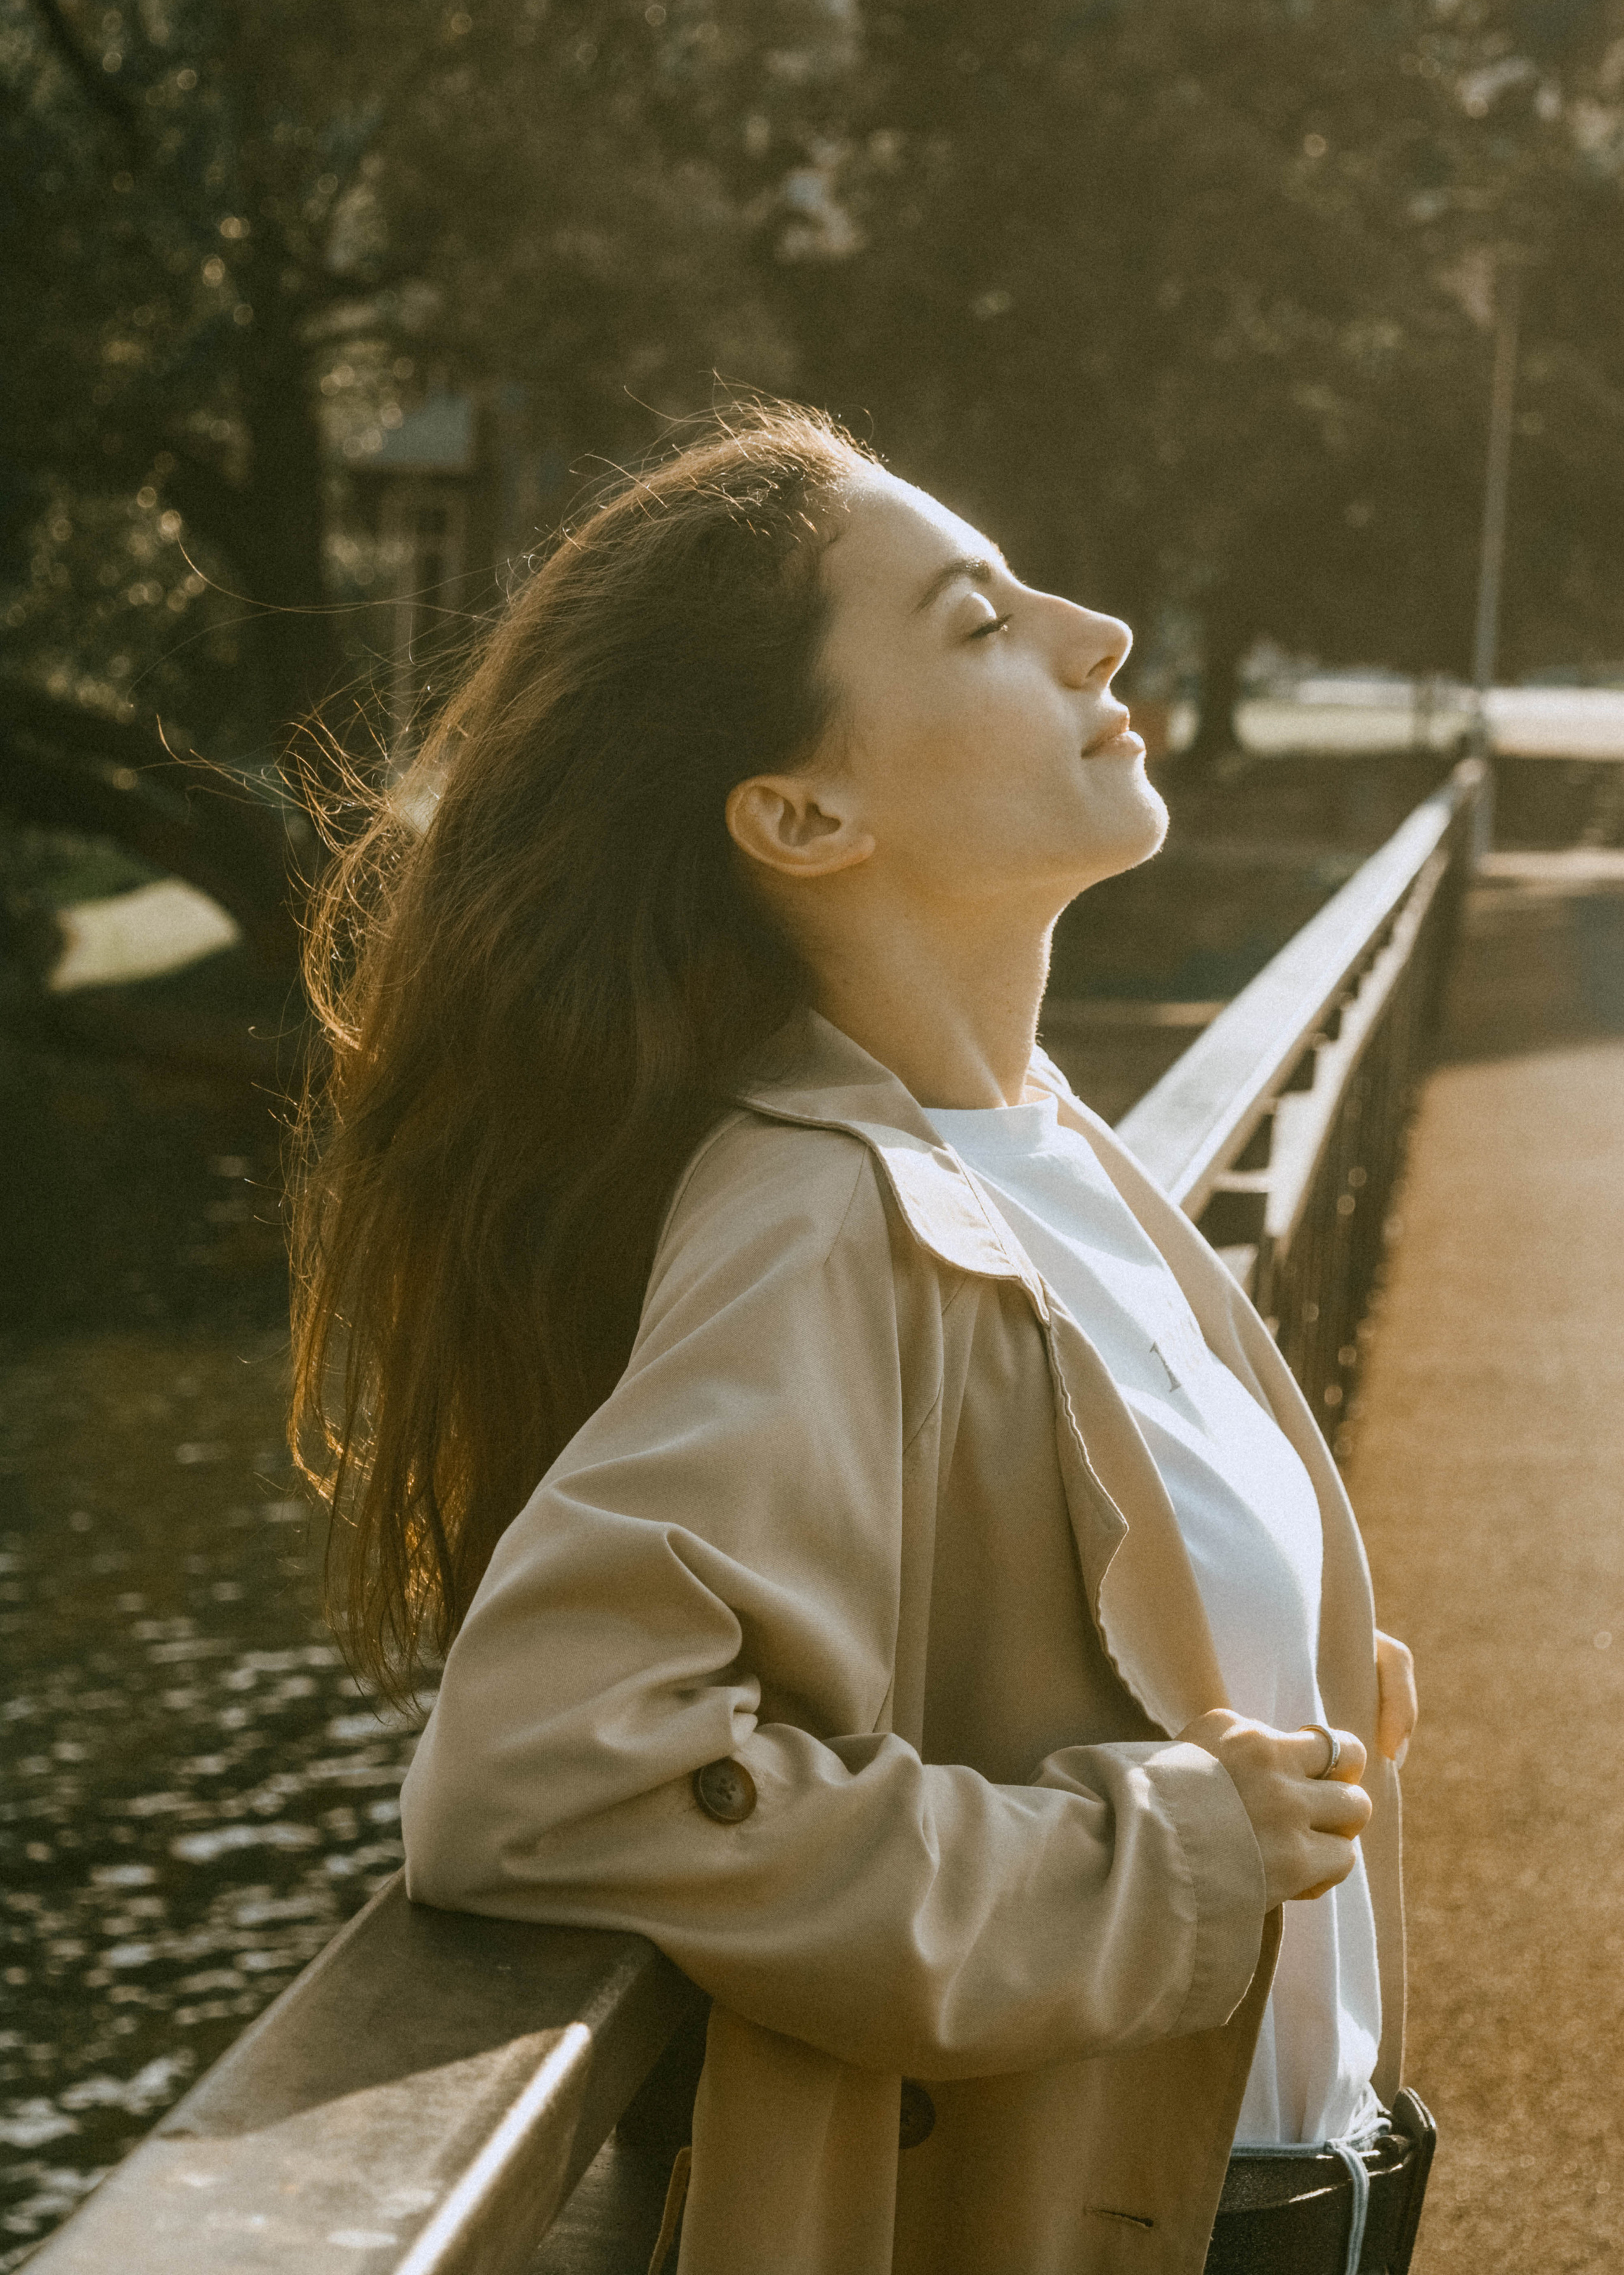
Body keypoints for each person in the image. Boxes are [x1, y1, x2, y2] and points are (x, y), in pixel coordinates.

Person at [291, 403, 1426, 2275]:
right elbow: (549, 1776)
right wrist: (1160, 1855)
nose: (1095, 633)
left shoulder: (1040, 1143)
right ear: (804, 817)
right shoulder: (819, 1209)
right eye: (980, 625)